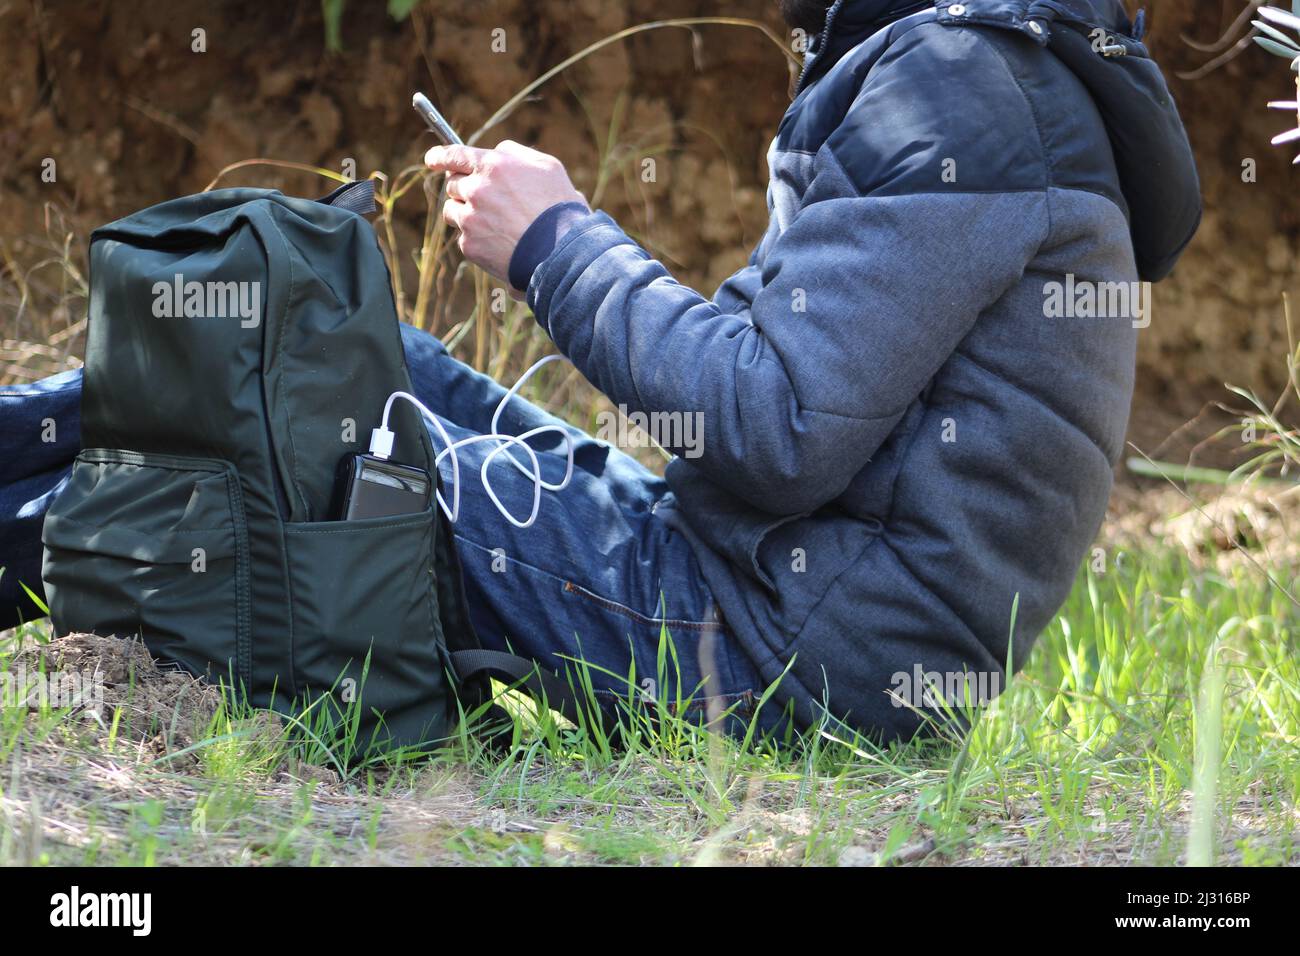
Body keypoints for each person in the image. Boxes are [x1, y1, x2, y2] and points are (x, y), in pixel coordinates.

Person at [0, 0, 1200, 743]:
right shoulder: (993, 71)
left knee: (299, 429)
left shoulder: (962, 85)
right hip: (804, 604)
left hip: (791, 655)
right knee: (375, 365)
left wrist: (554, 242)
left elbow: (772, 421)